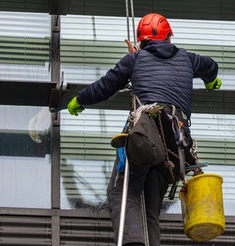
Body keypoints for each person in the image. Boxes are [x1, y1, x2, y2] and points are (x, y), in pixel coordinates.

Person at [66, 13, 222, 246]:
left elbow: (106, 85)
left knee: (122, 192)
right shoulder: (187, 59)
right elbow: (211, 66)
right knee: (151, 205)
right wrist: (210, 81)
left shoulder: (136, 59)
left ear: (143, 41)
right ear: (169, 36)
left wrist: (79, 100)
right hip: (175, 146)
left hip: (145, 138)